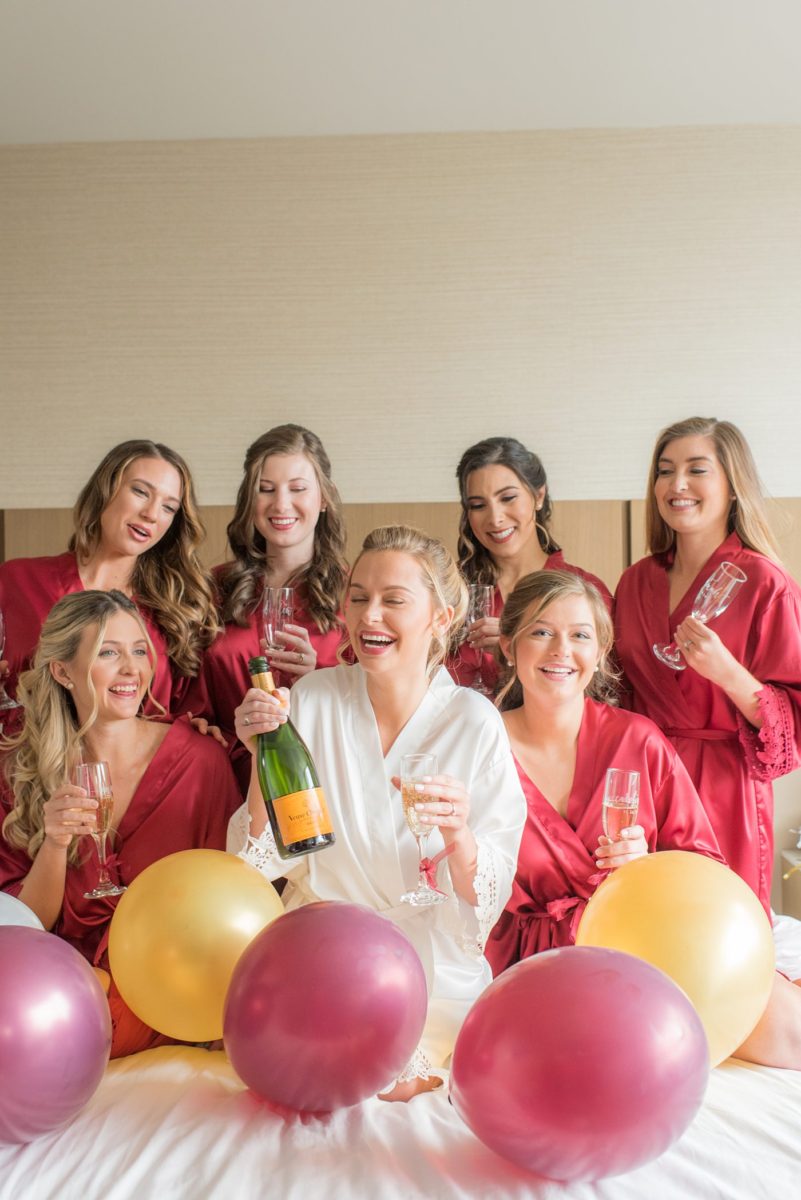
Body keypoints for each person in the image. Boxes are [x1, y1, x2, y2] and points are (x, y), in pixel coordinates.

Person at [227, 525, 526, 1099]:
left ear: (440, 617)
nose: (369, 617)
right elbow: (258, 862)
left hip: (430, 969)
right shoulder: (311, 698)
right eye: (359, 597)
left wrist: (460, 834)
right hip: (318, 958)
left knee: (418, 1092)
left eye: (394, 600)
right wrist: (261, 755)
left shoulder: (473, 720)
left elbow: (486, 894)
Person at [487, 569, 801, 1069]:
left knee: (787, 1030)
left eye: (580, 635)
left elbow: (703, 867)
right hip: (527, 966)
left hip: (640, 944)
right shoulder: (478, 746)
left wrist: (648, 864)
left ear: (601, 650)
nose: (560, 650)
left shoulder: (638, 739)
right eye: (541, 631)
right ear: (509, 645)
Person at [0, 590, 241, 1057]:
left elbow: (228, 909)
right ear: (62, 670)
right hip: (58, 986)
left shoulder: (199, 761)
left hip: (172, 991)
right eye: (109, 653)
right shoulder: (21, 771)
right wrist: (53, 844)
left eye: (138, 651)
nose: (132, 669)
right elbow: (21, 928)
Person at [614, 417, 801, 915]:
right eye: (665, 471)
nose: (676, 485)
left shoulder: (766, 583)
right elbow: (615, 689)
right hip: (645, 786)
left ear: (732, 486)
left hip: (725, 792)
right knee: (645, 929)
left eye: (697, 470)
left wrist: (729, 674)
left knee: (716, 937)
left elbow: (793, 731)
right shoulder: (635, 581)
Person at [0, 439, 218, 735]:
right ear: (106, 489)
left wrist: (197, 726)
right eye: (141, 492)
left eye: (169, 507)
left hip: (135, 774)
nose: (152, 514)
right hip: (22, 767)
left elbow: (187, 713)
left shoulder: (177, 608)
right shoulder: (16, 581)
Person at [184, 425, 348, 791]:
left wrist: (318, 677)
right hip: (228, 780)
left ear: (324, 497)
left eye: (297, 488)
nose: (281, 504)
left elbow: (379, 702)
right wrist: (195, 722)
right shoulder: (211, 590)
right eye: (266, 489)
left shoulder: (356, 593)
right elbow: (187, 692)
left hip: (324, 779)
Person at [450, 436, 612, 694]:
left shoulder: (585, 591)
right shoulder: (447, 590)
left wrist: (514, 651)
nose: (495, 518)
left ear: (538, 496)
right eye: (479, 505)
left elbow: (604, 692)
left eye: (508, 498)